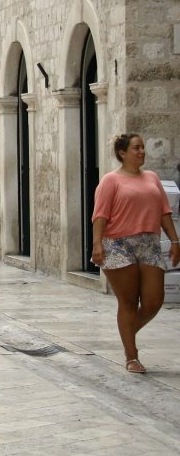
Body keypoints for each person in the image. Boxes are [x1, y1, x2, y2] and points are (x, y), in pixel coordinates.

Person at [91, 133, 180, 374]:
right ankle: (132, 355)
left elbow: (164, 212)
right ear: (122, 153)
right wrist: (97, 244)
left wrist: (174, 240)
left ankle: (128, 331)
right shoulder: (111, 180)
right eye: (136, 148)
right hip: (118, 245)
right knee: (129, 301)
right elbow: (100, 215)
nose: (142, 152)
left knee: (153, 301)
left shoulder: (152, 178)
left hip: (149, 243)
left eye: (142, 148)